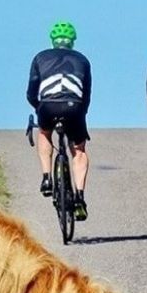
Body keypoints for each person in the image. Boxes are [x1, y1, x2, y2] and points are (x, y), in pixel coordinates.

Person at [27, 21, 92, 221]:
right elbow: (86, 94)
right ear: (72, 41)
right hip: (75, 107)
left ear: (53, 41)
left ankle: (47, 177)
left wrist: (38, 108)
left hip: (47, 105)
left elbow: (31, 91)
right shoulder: (82, 60)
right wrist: (82, 113)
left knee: (45, 132)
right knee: (79, 151)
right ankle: (80, 197)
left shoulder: (40, 57)